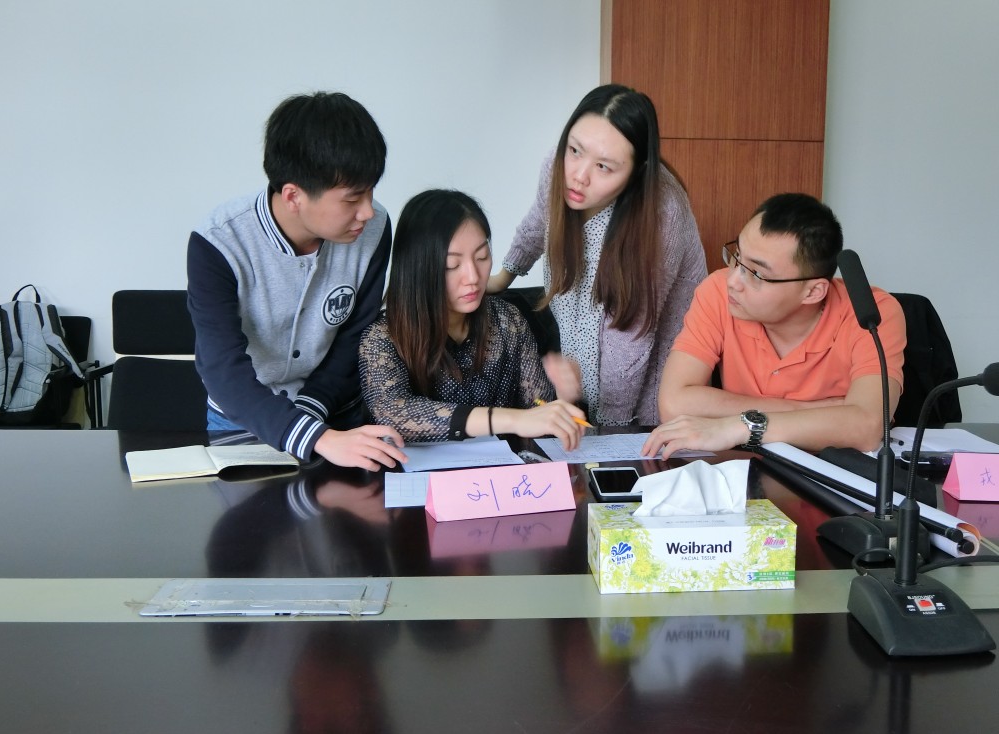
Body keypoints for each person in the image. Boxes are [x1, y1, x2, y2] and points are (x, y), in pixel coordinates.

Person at [187, 92, 406, 471]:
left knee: (349, 526)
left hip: (336, 410)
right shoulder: (219, 243)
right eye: (353, 198)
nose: (368, 211)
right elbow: (221, 366)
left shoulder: (374, 229)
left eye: (371, 191)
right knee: (253, 526)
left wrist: (313, 416)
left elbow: (355, 334)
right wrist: (313, 436)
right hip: (245, 414)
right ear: (293, 196)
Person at [487, 83, 707, 426]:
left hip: (654, 358)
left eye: (604, 167)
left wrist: (609, 433)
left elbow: (630, 340)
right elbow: (539, 220)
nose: (578, 176)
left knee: (640, 441)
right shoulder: (559, 165)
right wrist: (504, 276)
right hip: (594, 350)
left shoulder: (661, 214)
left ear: (637, 172)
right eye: (575, 150)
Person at [642, 193, 906, 460]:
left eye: (756, 274)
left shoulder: (873, 313)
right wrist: (824, 412)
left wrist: (742, 426)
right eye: (737, 256)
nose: (733, 280)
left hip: (830, 474)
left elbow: (868, 427)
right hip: (743, 469)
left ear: (813, 292)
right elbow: (674, 404)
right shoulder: (718, 292)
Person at [360, 189, 586, 450]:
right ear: (418, 268)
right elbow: (393, 413)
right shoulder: (382, 337)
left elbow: (539, 411)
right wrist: (512, 420)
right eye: (452, 265)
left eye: (482, 257)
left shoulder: (507, 321)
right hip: (424, 483)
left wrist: (564, 396)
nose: (473, 276)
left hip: (500, 481)